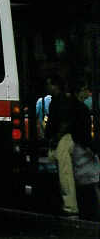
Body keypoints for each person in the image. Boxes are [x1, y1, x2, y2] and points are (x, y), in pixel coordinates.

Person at [45, 75, 81, 217]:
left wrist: (55, 137)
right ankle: (69, 204)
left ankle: (70, 206)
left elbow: (65, 122)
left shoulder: (60, 101)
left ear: (55, 86)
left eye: (49, 84)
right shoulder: (61, 100)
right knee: (65, 173)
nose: (47, 87)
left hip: (62, 139)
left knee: (65, 174)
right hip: (61, 138)